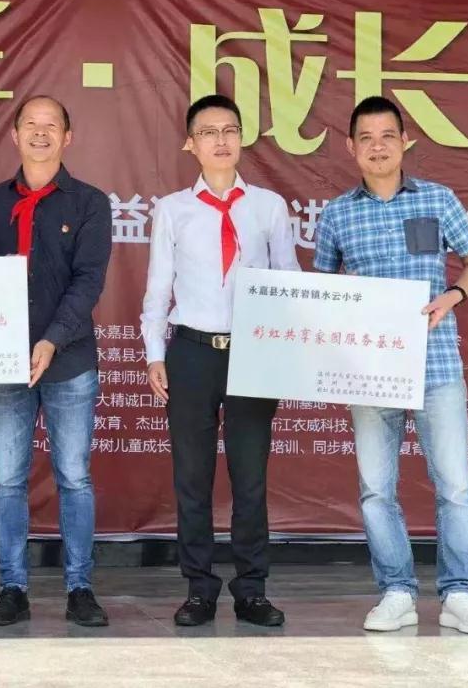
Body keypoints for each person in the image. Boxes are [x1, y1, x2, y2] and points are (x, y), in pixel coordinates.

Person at [313, 95, 468, 634]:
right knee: (376, 489)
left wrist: (453, 296)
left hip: (436, 366)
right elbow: (322, 291)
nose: (377, 147)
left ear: (405, 142)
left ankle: (460, 594)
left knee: (456, 487)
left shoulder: (438, 199)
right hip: (369, 372)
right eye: (366, 139)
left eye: (387, 136)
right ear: (350, 147)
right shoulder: (337, 214)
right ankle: (396, 591)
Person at [140, 94, 300, 627]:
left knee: (250, 477)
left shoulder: (269, 207)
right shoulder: (173, 209)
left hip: (254, 349)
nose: (221, 140)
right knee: (193, 477)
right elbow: (158, 287)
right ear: (191, 144)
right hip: (191, 351)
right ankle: (199, 589)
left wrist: (288, 349)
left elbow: (288, 281)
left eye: (230, 130)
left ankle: (252, 589)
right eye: (208, 132)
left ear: (242, 138)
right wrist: (154, 354)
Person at [0, 95, 112, 627]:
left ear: (68, 137)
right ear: (14, 134)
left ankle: (80, 588)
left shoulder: (90, 203)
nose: (40, 133)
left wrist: (50, 340)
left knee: (74, 477)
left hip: (69, 362)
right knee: (8, 479)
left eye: (51, 125)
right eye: (31, 124)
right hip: (5, 365)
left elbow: (88, 281)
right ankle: (12, 588)